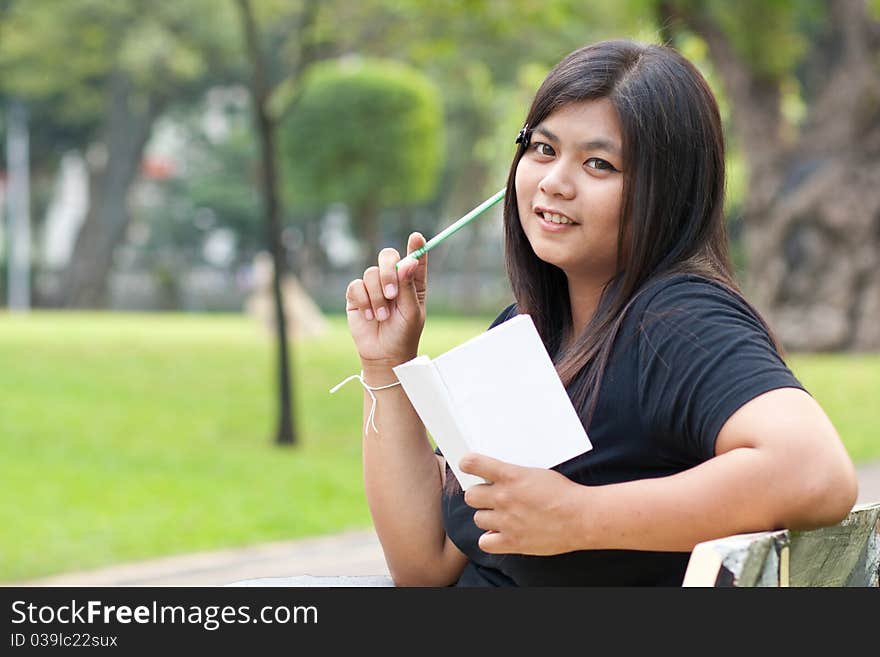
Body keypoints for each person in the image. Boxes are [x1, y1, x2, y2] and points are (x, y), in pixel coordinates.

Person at [341, 39, 859, 586]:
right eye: (542, 149)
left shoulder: (679, 320)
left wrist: (576, 516)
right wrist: (384, 362)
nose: (554, 181)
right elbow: (423, 565)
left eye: (598, 163)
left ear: (668, 190)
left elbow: (815, 473)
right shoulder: (528, 330)